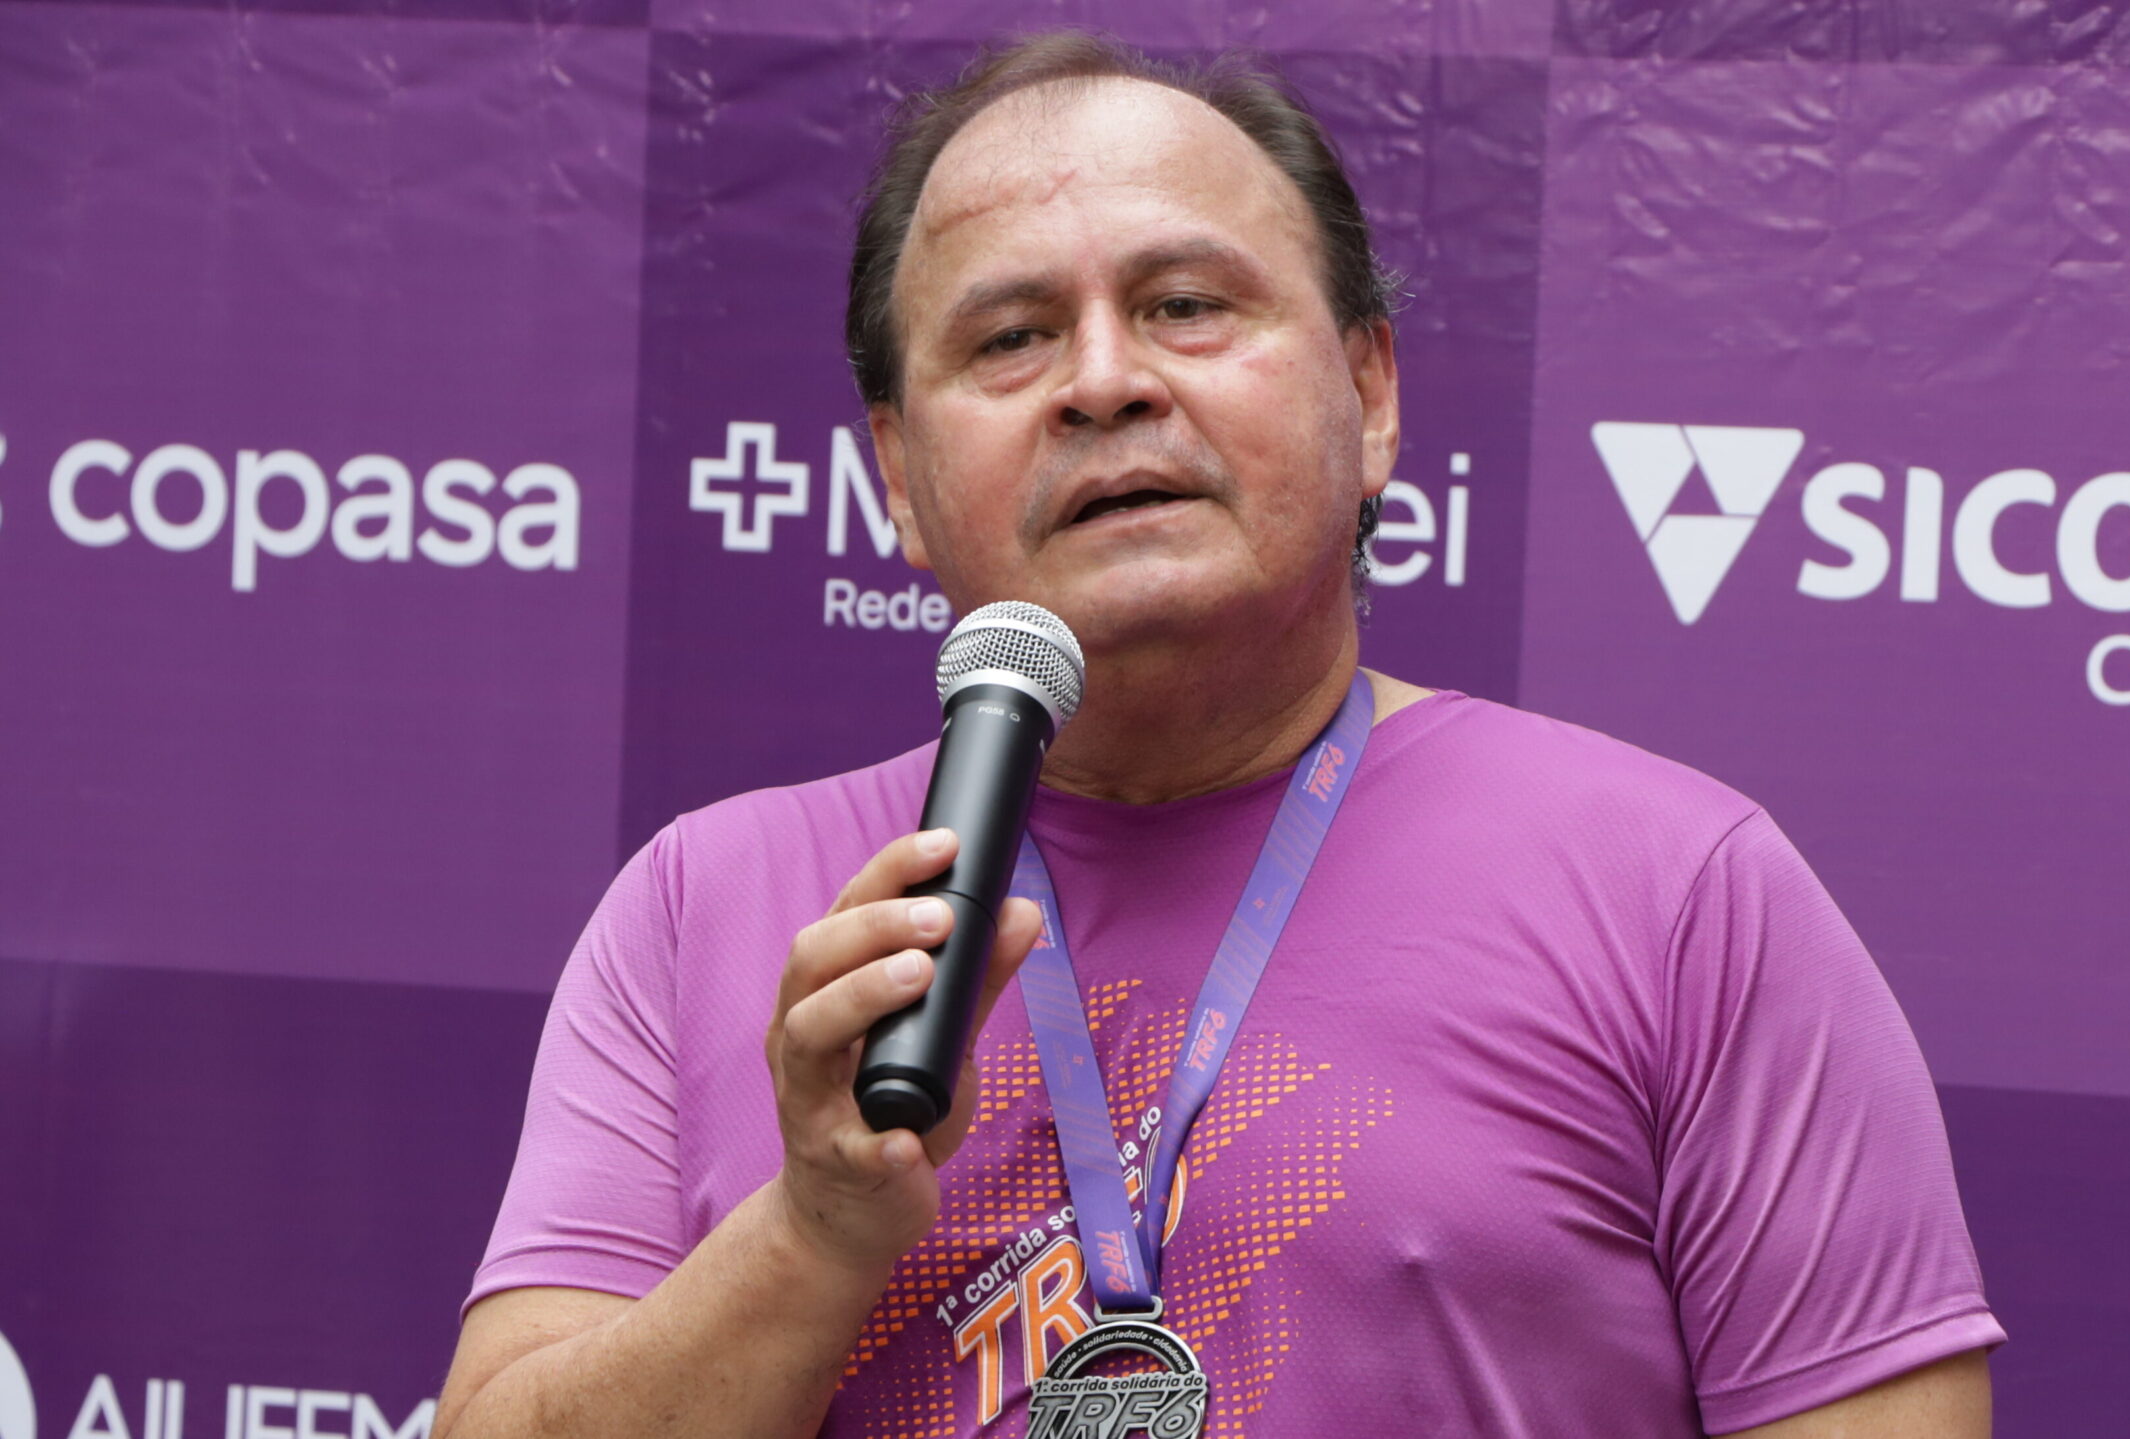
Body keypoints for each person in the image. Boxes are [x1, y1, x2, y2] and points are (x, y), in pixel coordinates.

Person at [431, 31, 2002, 1439]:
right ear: (895, 478)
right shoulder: (704, 905)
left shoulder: (1681, 895)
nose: (1105, 384)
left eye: (1187, 306)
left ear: (1371, 393)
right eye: (1009, 341)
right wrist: (819, 1226)